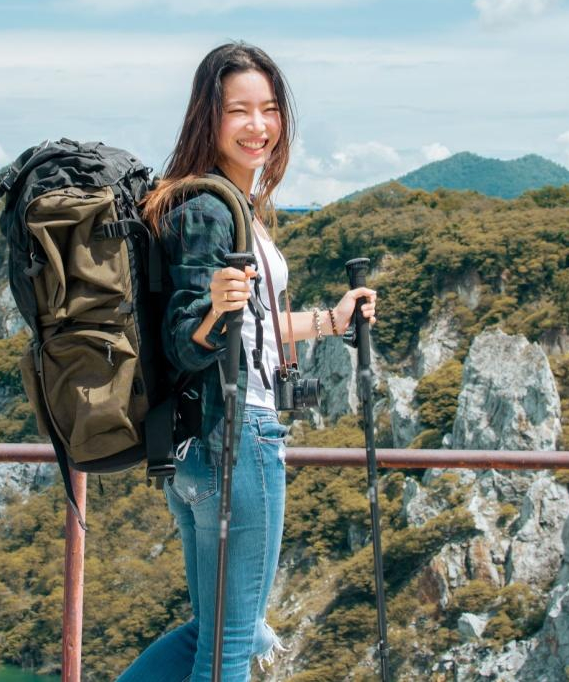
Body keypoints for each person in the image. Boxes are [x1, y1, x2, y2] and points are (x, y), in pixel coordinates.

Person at [117, 42, 378, 682]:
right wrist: (209, 312)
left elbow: (248, 330)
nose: (258, 126)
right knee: (231, 646)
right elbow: (189, 337)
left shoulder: (214, 200)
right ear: (209, 117)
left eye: (269, 109)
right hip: (238, 440)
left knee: (213, 632)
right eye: (240, 111)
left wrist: (330, 322)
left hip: (193, 449)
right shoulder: (208, 208)